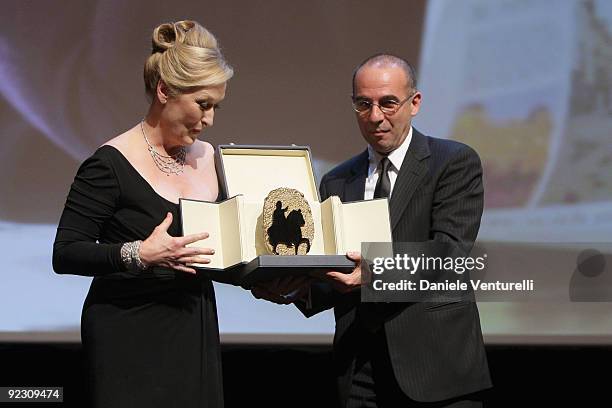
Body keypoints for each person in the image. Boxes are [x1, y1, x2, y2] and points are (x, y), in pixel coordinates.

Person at [252, 54, 492, 407]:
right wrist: (295, 288)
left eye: (388, 103)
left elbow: (450, 252)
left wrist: (372, 271)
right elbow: (339, 268)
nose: (375, 116)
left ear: (415, 103)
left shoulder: (452, 162)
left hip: (435, 364)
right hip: (359, 366)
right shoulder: (337, 179)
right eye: (364, 104)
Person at [52, 20, 233, 407]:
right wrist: (139, 254)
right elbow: (65, 252)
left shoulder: (212, 158)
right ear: (165, 91)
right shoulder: (110, 163)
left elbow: (214, 253)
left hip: (192, 325)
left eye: (215, 106)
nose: (210, 119)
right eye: (202, 104)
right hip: (128, 330)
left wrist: (267, 277)